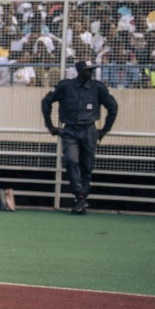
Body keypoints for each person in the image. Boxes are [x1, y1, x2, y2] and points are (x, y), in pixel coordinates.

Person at [41, 60, 119, 214]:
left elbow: (113, 107)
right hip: (70, 130)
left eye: (91, 70)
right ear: (79, 70)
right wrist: (49, 125)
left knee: (87, 165)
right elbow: (46, 101)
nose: (90, 72)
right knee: (71, 160)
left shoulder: (97, 88)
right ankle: (79, 194)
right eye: (87, 70)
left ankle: (81, 199)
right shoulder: (65, 86)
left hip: (89, 130)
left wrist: (104, 130)